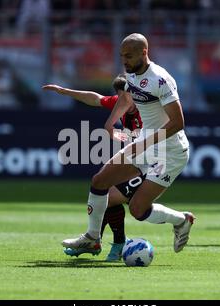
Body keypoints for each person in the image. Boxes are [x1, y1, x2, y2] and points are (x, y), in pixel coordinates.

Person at [62, 33, 195, 255]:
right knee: (100, 181)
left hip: (170, 152)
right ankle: (93, 239)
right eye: (122, 55)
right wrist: (110, 123)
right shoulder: (131, 76)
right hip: (146, 143)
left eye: (129, 56)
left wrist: (145, 143)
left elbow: (178, 123)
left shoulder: (161, 80)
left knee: (137, 209)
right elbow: (123, 100)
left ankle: (182, 220)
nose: (125, 60)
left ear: (144, 52)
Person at [42, 74, 144, 261]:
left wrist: (127, 135)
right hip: (136, 161)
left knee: (116, 199)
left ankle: (180, 219)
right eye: (120, 98)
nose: (124, 102)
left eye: (127, 97)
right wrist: (65, 92)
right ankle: (105, 242)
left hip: (154, 164)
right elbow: (94, 98)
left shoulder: (147, 108)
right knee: (106, 194)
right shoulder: (120, 103)